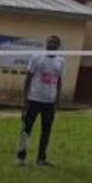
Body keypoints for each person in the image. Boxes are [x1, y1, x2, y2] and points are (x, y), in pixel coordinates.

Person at [16, 35, 65, 167]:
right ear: (46, 43)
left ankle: (41, 158)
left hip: (49, 102)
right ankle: (21, 157)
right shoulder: (36, 57)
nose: (51, 45)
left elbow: (59, 81)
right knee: (26, 129)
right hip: (33, 99)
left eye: (55, 43)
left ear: (58, 46)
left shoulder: (60, 61)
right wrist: (24, 99)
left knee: (46, 131)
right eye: (50, 42)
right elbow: (28, 78)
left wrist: (58, 99)